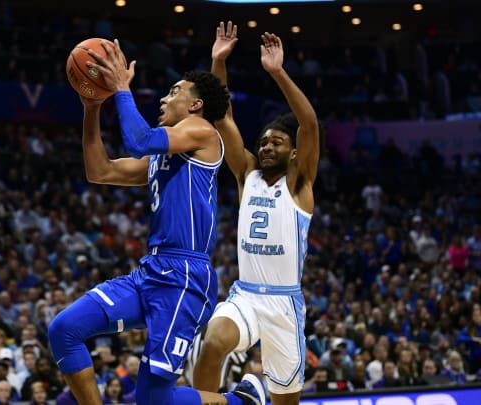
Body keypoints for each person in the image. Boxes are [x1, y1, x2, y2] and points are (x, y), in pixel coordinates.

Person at [48, 39, 263, 405]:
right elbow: (99, 170)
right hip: (152, 270)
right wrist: (91, 108)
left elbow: (139, 140)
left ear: (195, 105)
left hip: (185, 277)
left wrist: (120, 89)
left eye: (173, 92)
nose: (163, 99)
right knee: (64, 329)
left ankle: (243, 401)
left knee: (153, 399)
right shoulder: (163, 159)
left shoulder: (202, 132)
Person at [193, 22, 320, 405]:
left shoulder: (300, 185)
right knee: (213, 342)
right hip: (246, 296)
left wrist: (278, 73)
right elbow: (222, 119)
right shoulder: (247, 173)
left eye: (276, 142)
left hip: (284, 305)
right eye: (262, 141)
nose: (265, 146)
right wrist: (218, 62)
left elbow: (309, 124)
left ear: (294, 152)